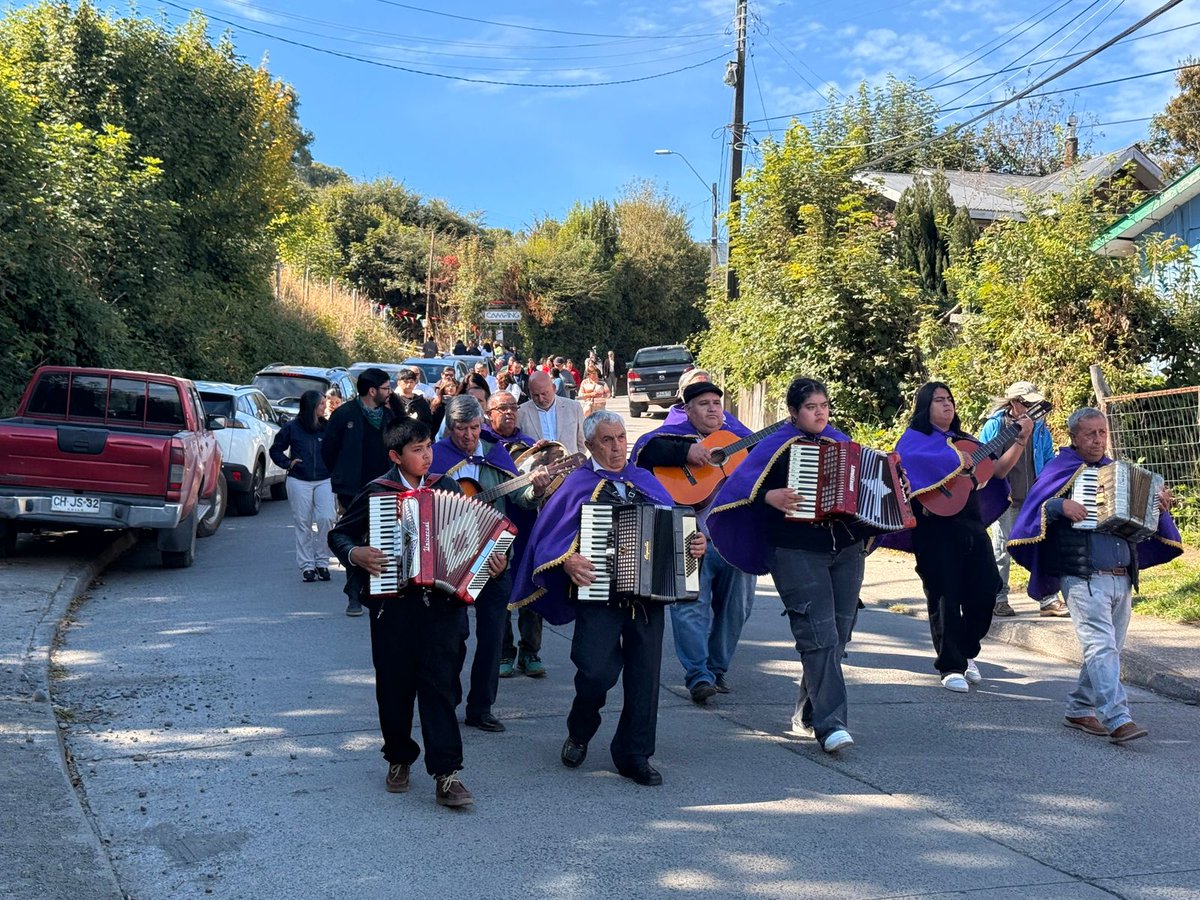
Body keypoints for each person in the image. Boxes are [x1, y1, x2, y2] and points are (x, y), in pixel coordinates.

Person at [509, 411, 706, 786]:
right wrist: (568, 560)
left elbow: (683, 528)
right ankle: (580, 730)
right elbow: (548, 537)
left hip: (649, 596)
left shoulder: (644, 480)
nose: (617, 447)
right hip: (598, 594)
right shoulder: (575, 484)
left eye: (621, 438)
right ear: (589, 445)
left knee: (644, 679)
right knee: (596, 672)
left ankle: (634, 755)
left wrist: (696, 543)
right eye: (607, 440)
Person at [328, 418, 500, 808]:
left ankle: (447, 774)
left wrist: (490, 561)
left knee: (441, 689)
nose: (426, 456)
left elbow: (471, 542)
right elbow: (339, 534)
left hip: (443, 608)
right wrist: (356, 553)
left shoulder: (447, 487)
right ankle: (399, 758)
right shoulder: (377, 493)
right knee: (395, 688)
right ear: (395, 456)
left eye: (428, 448)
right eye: (417, 450)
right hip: (394, 609)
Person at [706, 378, 870, 752]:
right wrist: (768, 495)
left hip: (845, 548)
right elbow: (736, 492)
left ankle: (807, 713)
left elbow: (868, 488)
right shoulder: (775, 446)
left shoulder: (842, 443)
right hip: (795, 550)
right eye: (811, 407)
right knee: (818, 635)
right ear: (794, 413)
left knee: (839, 636)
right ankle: (832, 725)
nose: (820, 413)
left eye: (824, 405)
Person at [1008, 408, 1182, 743]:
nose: (1098, 439)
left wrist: (1158, 508)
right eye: (1090, 433)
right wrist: (1060, 507)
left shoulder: (1119, 474)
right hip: (1082, 575)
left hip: (1121, 575)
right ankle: (1118, 718)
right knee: (1100, 648)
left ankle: (1078, 709)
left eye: (1102, 432)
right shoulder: (1061, 469)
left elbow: (1142, 527)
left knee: (1106, 650)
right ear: (1074, 437)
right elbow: (1035, 509)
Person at [882, 382, 1030, 692]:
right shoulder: (914, 440)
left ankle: (965, 651)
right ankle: (950, 666)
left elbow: (998, 471)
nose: (947, 405)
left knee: (987, 588)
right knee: (944, 594)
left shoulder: (965, 441)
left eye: (949, 399)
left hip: (971, 524)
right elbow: (913, 464)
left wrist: (1020, 440)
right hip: (933, 526)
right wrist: (953, 463)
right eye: (939, 400)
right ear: (925, 407)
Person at [633, 381, 756, 705]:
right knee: (689, 608)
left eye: (717, 402)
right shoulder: (671, 436)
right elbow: (646, 452)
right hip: (686, 534)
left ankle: (716, 669)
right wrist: (686, 452)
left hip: (734, 537)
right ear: (687, 410)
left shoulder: (737, 438)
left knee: (737, 607)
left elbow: (766, 462)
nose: (713, 408)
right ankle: (698, 675)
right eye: (704, 403)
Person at [432, 396, 548, 734]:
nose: (468, 436)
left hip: (494, 558)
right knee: (453, 636)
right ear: (449, 427)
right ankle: (446, 701)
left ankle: (481, 708)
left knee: (493, 636)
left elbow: (519, 497)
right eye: (460, 429)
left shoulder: (494, 452)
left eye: (474, 428)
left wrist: (536, 490)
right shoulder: (434, 455)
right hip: (448, 560)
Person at [980, 381, 1060, 618]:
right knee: (1002, 549)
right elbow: (983, 461)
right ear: (1015, 403)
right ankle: (998, 598)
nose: (1034, 407)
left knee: (1041, 546)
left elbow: (1047, 460)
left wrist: (1048, 490)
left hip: (1033, 498)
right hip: (1004, 498)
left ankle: (1048, 599)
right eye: (1028, 403)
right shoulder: (995, 426)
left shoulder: (1040, 427)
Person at [483, 393, 549, 679]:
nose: (510, 413)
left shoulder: (529, 446)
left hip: (527, 524)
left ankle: (530, 651)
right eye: (502, 408)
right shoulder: (482, 445)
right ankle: (504, 652)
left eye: (513, 408)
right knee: (499, 590)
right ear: (489, 414)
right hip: (492, 525)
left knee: (532, 586)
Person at [322, 368, 395, 617]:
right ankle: (354, 593)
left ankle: (367, 588)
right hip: (351, 489)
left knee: (375, 537)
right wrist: (341, 475)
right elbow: (328, 450)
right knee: (353, 537)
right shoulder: (345, 414)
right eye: (386, 388)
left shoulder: (388, 415)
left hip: (383, 488)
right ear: (372, 390)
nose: (389, 392)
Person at [270, 390, 335, 584]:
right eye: (322, 404)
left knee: (327, 518)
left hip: (325, 479)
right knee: (303, 523)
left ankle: (322, 561)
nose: (325, 407)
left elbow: (339, 448)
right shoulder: (292, 427)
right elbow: (275, 449)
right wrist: (287, 463)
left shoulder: (327, 427)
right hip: (299, 480)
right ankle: (307, 566)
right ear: (311, 407)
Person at [518, 371, 585, 454]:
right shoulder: (520, 413)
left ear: (554, 388)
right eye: (535, 395)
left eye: (544, 394)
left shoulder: (574, 408)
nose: (541, 399)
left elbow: (582, 443)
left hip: (571, 464)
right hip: (538, 466)